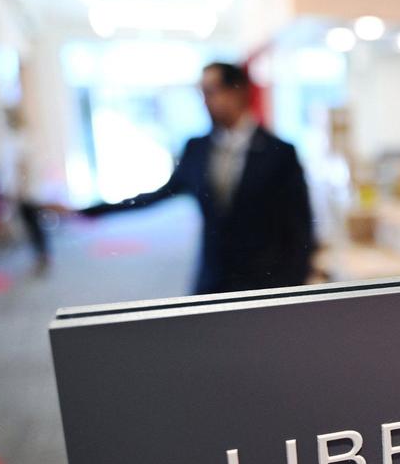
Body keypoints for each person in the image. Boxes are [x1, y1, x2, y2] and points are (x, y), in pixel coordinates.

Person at [82, 62, 316, 294]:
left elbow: (300, 226)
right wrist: (88, 210)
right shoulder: (197, 149)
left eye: (211, 92)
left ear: (237, 92)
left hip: (265, 283)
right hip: (212, 280)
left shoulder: (279, 152)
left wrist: (293, 284)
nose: (205, 101)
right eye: (202, 93)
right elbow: (159, 194)